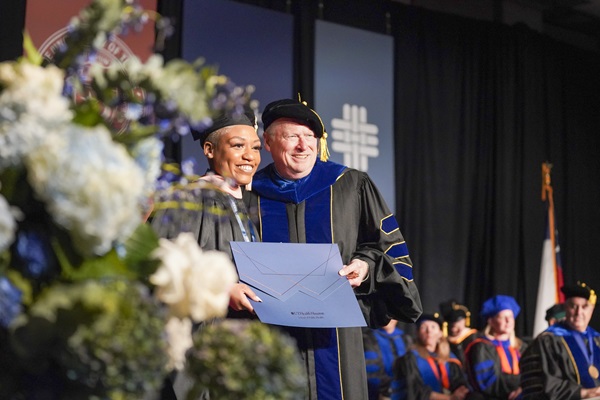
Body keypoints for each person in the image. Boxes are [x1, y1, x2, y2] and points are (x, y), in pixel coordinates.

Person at [244, 98, 423, 400]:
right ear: (268, 142)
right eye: (292, 136)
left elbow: (387, 249)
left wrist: (365, 267)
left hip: (337, 344)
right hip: (269, 341)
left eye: (310, 137)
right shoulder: (249, 193)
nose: (303, 145)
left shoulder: (350, 186)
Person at [151, 108, 263, 399]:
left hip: (241, 347)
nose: (250, 156)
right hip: (198, 345)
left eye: (255, 148)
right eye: (238, 146)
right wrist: (223, 289)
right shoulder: (186, 200)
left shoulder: (249, 207)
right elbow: (162, 268)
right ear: (209, 149)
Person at [520, 282, 600, 399]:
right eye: (573, 306)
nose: (579, 313)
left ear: (592, 310)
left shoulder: (596, 340)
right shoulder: (548, 341)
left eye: (584, 307)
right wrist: (586, 393)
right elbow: (543, 385)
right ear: (566, 307)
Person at [390, 313, 470, 400]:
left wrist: (460, 392)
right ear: (417, 333)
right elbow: (414, 390)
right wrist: (449, 398)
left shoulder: (450, 358)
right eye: (423, 327)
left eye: (433, 327)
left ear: (440, 333)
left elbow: (460, 382)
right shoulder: (410, 358)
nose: (429, 331)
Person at [464, 295, 524, 399]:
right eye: (502, 317)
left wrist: (523, 388)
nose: (508, 321)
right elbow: (489, 382)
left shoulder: (520, 347)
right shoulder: (481, 347)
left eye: (510, 316)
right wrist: (524, 382)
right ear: (491, 321)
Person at [363, 319, 412, 400]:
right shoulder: (367, 338)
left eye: (393, 315)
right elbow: (370, 369)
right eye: (387, 315)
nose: (389, 319)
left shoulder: (406, 339)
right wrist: (386, 390)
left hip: (405, 393)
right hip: (377, 394)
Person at [440, 300, 479, 366]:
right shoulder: (442, 340)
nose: (453, 327)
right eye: (450, 324)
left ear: (465, 321)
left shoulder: (475, 338)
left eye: (457, 322)